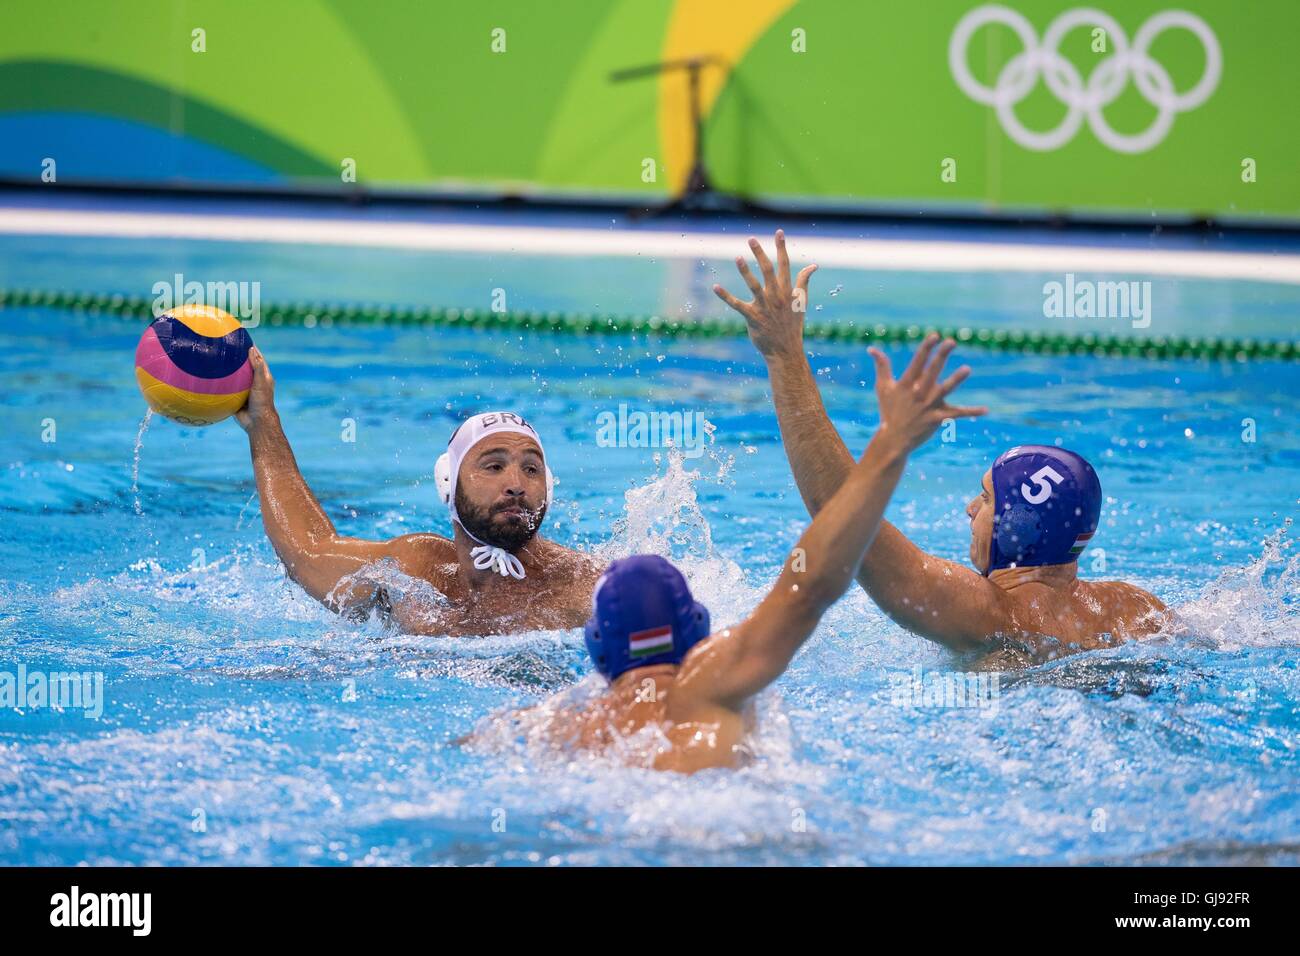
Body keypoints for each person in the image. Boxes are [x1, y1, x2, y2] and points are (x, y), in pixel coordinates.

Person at [469, 338, 983, 771]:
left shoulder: (554, 725)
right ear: (697, 628)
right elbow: (812, 588)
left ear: (598, 646)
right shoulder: (714, 683)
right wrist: (889, 447)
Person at [713, 230, 1168, 666]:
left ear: (1019, 527)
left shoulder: (987, 615)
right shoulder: (1133, 609)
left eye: (988, 498)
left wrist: (783, 355)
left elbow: (845, 522)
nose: (971, 509)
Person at [236, 348, 602, 635]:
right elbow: (308, 553)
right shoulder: (413, 570)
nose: (516, 485)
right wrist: (263, 424)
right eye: (493, 466)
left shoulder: (584, 587)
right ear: (448, 483)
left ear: (548, 489)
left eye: (531, 469)